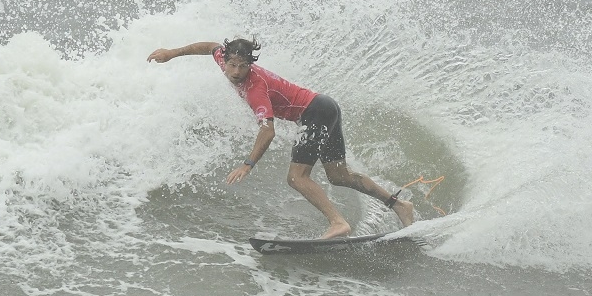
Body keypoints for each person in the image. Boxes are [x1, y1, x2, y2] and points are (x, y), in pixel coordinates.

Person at [147, 37, 414, 239]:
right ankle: (399, 205)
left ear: (251, 64)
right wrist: (173, 53)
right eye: (232, 64)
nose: (236, 72)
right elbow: (210, 47)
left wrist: (248, 164)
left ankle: (338, 222)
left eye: (243, 66)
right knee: (339, 175)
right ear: (225, 60)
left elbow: (268, 130)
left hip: (316, 113)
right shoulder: (222, 57)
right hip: (325, 106)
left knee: (297, 178)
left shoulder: (255, 88)